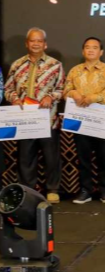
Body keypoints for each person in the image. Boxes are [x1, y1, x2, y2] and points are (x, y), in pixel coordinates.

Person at [4, 28, 65, 203]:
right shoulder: (17, 65)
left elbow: (62, 88)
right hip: (25, 120)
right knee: (25, 157)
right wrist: (14, 98)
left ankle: (52, 189)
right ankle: (27, 191)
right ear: (27, 43)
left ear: (45, 44)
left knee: (51, 156)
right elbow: (7, 89)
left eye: (39, 41)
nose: (36, 44)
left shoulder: (55, 65)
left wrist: (50, 97)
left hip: (48, 119)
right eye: (32, 40)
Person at [64, 37, 105, 204]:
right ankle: (85, 190)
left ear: (101, 52)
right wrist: (73, 93)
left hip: (101, 118)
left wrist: (94, 97)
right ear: (83, 51)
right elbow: (66, 91)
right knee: (83, 157)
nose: (91, 50)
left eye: (94, 47)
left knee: (104, 156)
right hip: (80, 118)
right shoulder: (75, 70)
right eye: (87, 47)